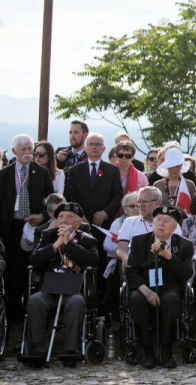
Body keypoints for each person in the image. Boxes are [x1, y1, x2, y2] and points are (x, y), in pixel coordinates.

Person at [26, 202, 98, 366]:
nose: (64, 220)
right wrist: (56, 245)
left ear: (78, 222)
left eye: (69, 217)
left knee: (77, 303)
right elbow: (34, 260)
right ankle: (38, 347)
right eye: (60, 217)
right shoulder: (47, 235)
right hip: (49, 289)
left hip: (74, 290)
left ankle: (70, 349)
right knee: (35, 300)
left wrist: (69, 245)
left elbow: (92, 261)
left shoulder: (87, 239)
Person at [126, 206, 194, 369]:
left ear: (175, 226)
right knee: (135, 300)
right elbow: (130, 271)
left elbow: (186, 274)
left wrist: (169, 256)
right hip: (144, 287)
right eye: (158, 220)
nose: (161, 224)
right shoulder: (139, 241)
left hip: (170, 288)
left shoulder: (184, 245)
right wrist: (147, 292)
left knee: (171, 300)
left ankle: (166, 350)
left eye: (166, 221)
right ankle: (148, 350)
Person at [0, 134, 55, 320]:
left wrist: (41, 215)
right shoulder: (5, 174)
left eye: (30, 149)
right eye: (23, 149)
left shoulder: (41, 172)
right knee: (13, 270)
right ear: (14, 150)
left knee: (32, 267)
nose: (27, 153)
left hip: (35, 227)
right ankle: (13, 312)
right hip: (12, 228)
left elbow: (50, 199)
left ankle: (34, 311)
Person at [64, 133, 124, 228]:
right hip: (79, 222)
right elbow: (69, 195)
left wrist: (105, 212)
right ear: (85, 147)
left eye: (97, 144)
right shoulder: (74, 170)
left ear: (103, 148)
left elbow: (118, 195)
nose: (94, 147)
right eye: (90, 144)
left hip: (105, 222)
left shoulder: (112, 170)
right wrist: (79, 215)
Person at [153, 148, 196, 217]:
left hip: (184, 224)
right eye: (171, 166)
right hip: (162, 223)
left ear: (181, 166)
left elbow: (195, 207)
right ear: (166, 166)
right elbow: (153, 207)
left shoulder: (189, 184)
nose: (174, 169)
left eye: (177, 166)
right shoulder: (157, 185)